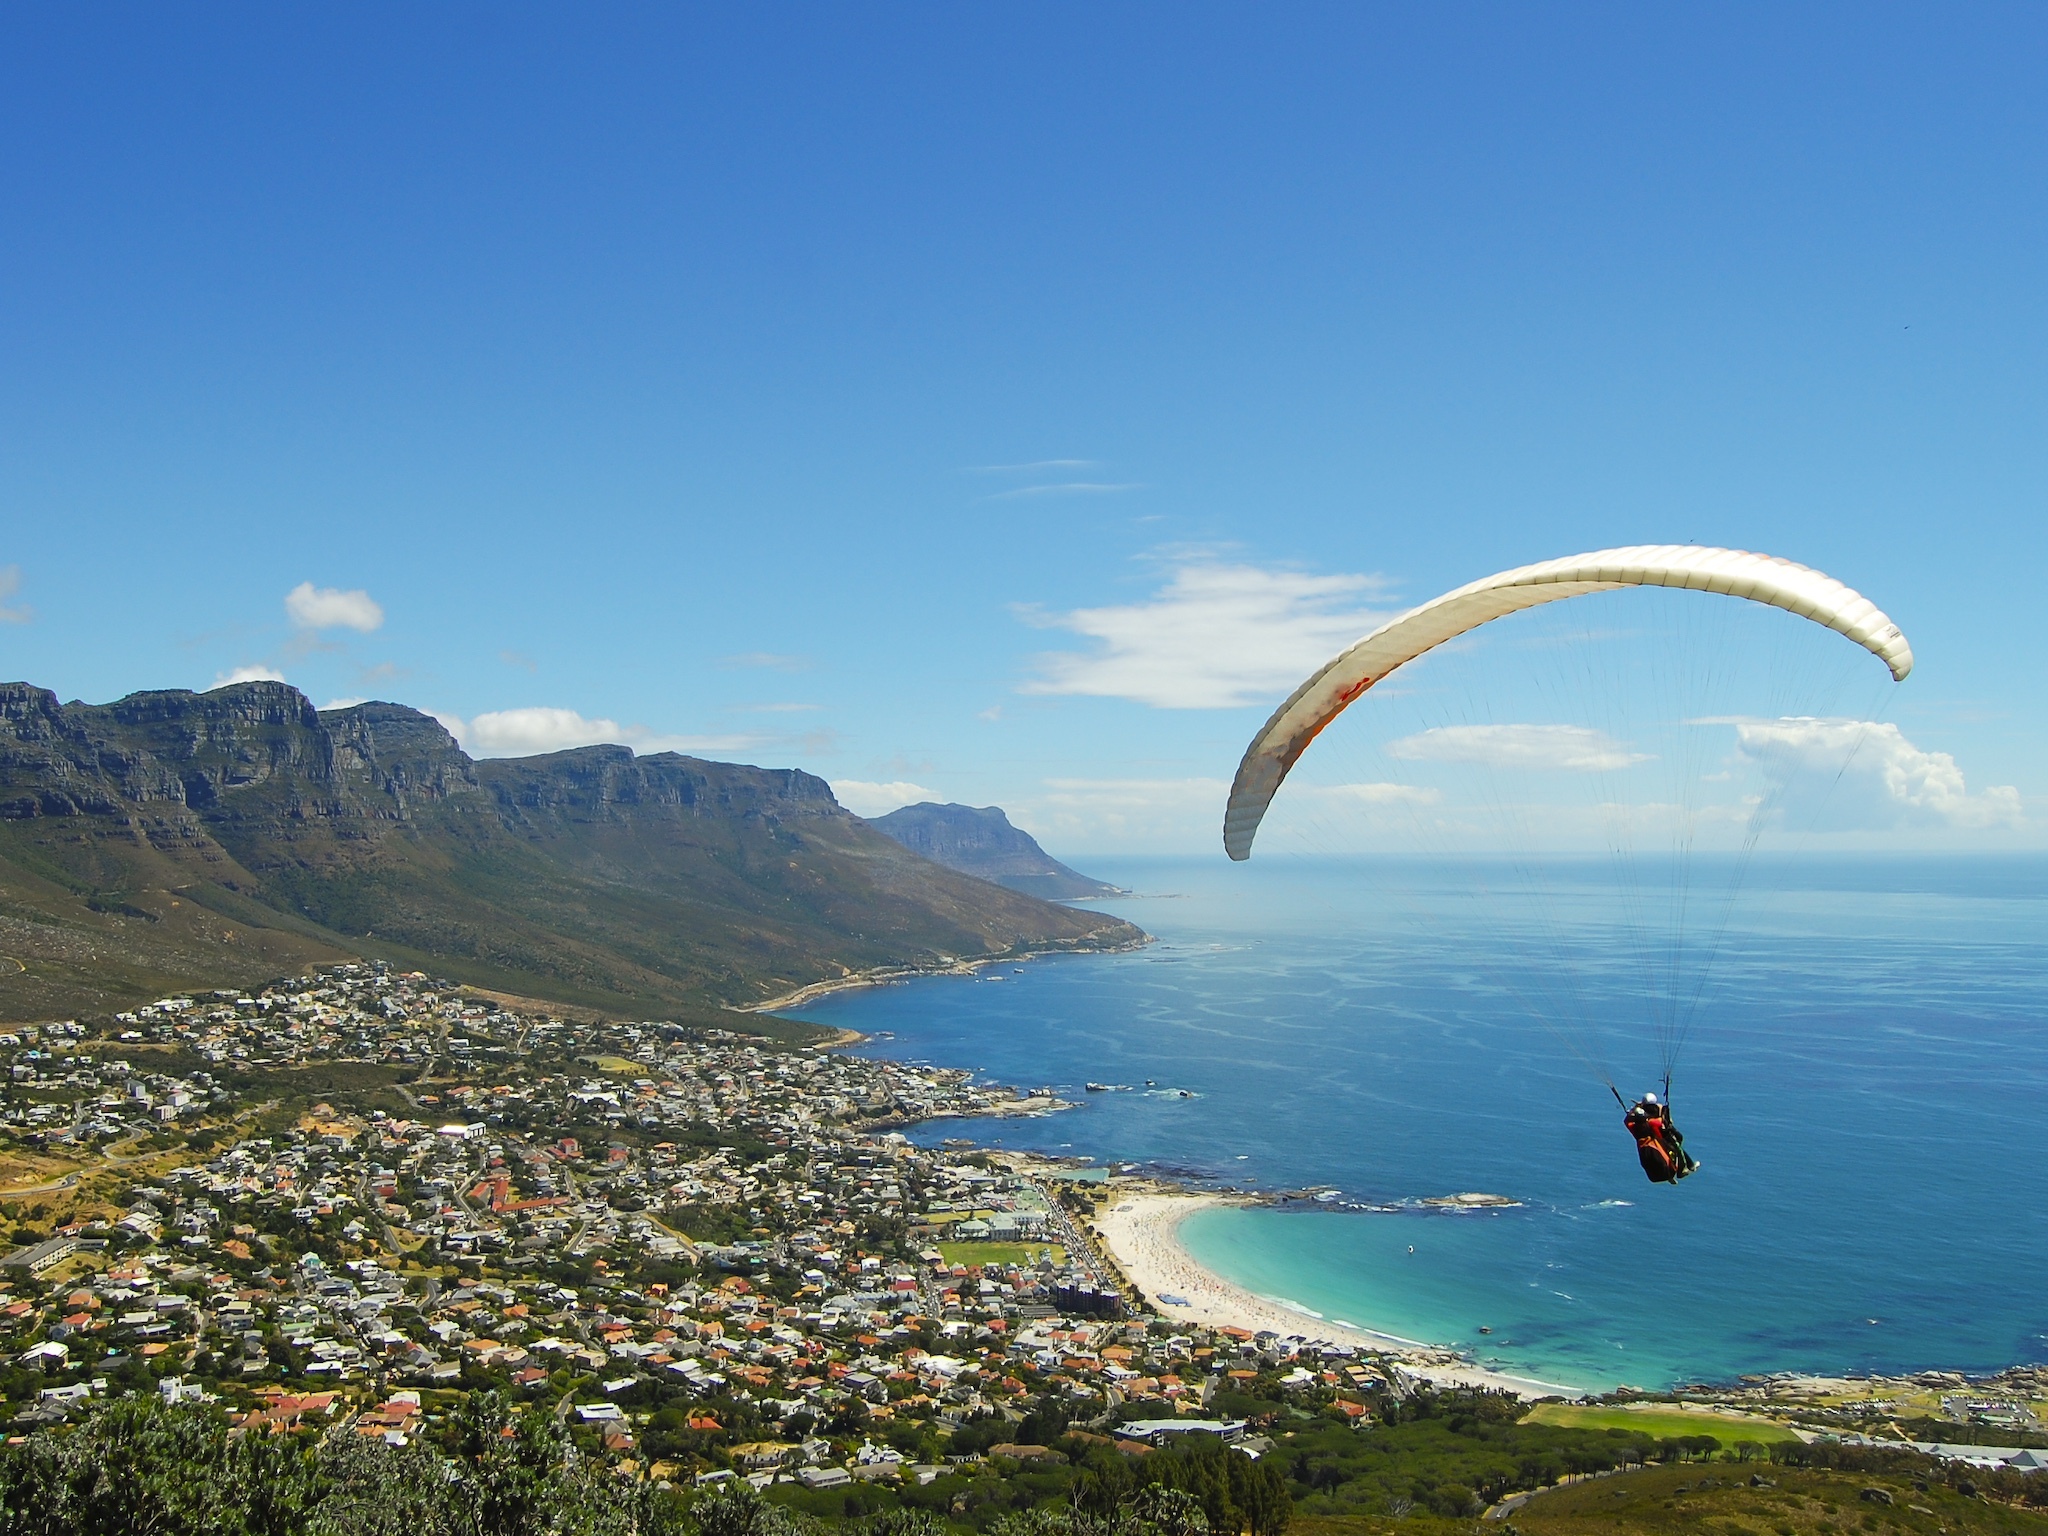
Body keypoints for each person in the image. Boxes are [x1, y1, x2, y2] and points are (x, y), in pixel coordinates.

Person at [1624, 1090, 1698, 1183]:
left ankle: (1670, 1176)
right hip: (1657, 1142)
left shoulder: (1633, 1126)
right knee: (1675, 1150)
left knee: (1658, 1161)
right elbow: (1662, 1117)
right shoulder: (1653, 1122)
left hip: (1642, 1146)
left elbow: (1627, 1120)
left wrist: (1634, 1109)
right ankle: (1682, 1170)